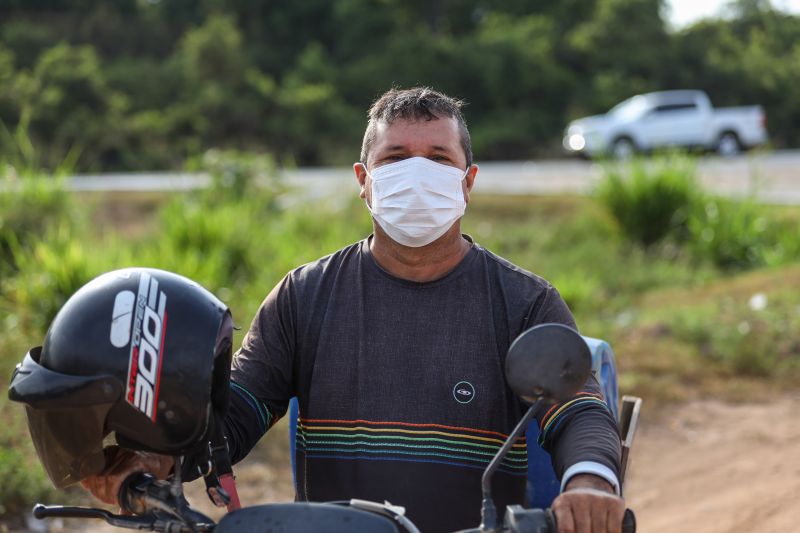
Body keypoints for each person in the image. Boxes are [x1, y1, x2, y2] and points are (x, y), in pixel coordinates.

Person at [82, 87, 625, 533]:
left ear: (468, 181)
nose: (417, 175)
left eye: (438, 159)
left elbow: (577, 412)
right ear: (364, 182)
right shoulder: (304, 295)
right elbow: (236, 411)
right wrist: (154, 461)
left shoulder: (526, 301)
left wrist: (590, 485)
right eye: (394, 159)